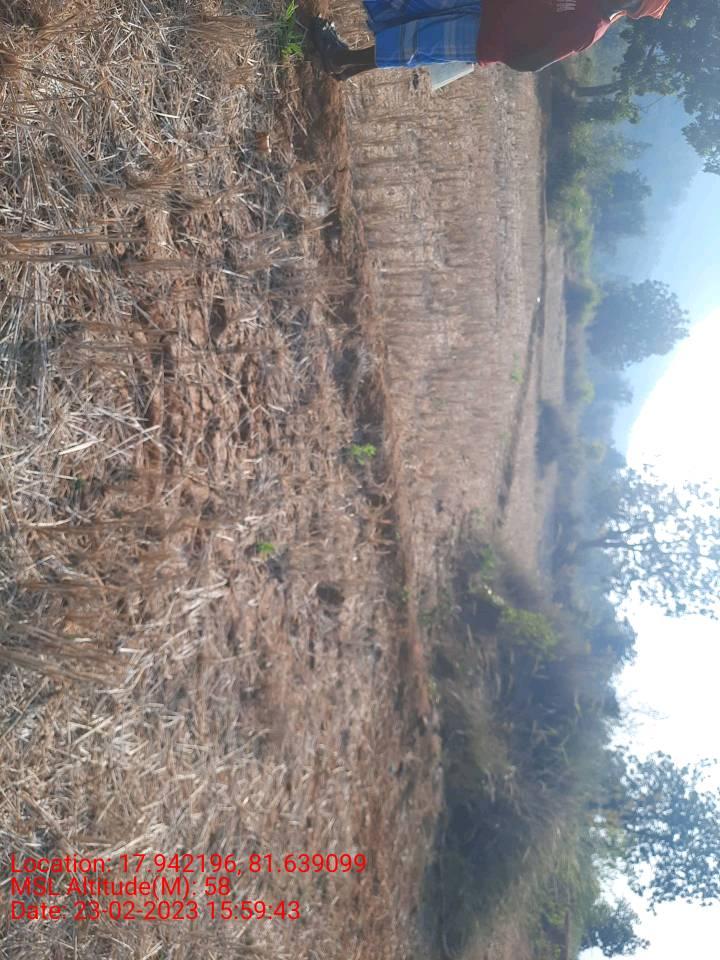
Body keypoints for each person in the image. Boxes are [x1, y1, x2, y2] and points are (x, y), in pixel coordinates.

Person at [310, 0, 671, 82]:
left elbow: (532, 62)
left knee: (415, 43)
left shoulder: (589, 28)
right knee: (416, 8)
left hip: (485, 36)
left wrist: (502, 44)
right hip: (487, 4)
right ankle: (346, 68)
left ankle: (339, 59)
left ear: (633, 8)